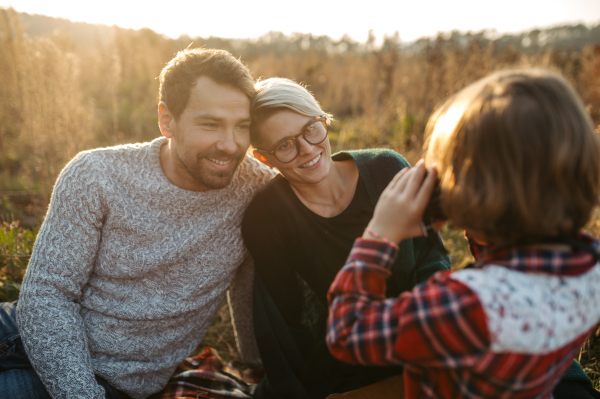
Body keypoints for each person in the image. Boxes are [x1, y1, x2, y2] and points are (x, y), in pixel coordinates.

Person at [0, 48, 274, 399]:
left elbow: (250, 291)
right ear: (167, 120)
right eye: (210, 124)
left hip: (112, 380)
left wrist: (256, 362)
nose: (230, 144)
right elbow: (48, 294)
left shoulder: (257, 192)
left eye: (242, 127)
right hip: (23, 329)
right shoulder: (95, 175)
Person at [326, 69, 600, 398]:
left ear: (472, 190)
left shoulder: (467, 303)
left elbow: (348, 331)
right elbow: (508, 265)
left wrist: (379, 233)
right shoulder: (589, 262)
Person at [241, 78, 451, 399]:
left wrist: (430, 340)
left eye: (311, 129)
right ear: (264, 159)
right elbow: (286, 320)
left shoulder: (386, 170)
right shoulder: (267, 217)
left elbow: (432, 258)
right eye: (285, 145)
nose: (307, 149)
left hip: (420, 334)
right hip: (346, 348)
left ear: (323, 120)